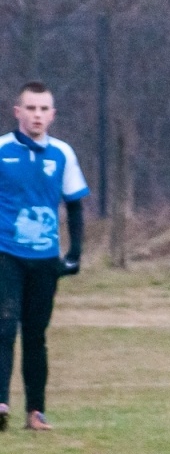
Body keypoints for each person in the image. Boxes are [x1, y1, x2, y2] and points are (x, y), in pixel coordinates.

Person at [0, 83, 89, 431]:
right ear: (17, 112)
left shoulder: (62, 154)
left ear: (52, 115)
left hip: (45, 259)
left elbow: (75, 205)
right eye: (30, 108)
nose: (37, 115)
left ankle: (35, 412)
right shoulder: (2, 150)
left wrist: (75, 253)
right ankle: (1, 403)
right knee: (4, 327)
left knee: (35, 334)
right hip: (6, 254)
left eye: (43, 109)